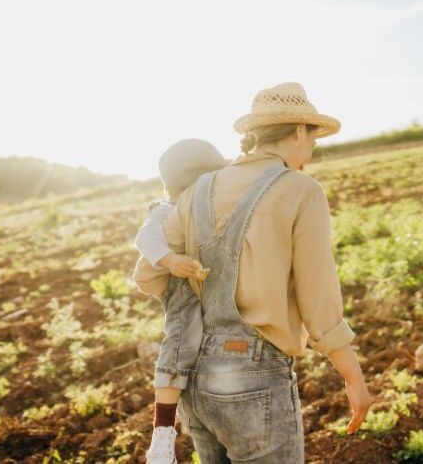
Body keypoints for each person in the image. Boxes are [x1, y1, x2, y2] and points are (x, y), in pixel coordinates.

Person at [134, 82, 372, 463]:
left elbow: (148, 275)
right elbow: (319, 302)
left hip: (194, 379)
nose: (311, 151)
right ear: (297, 130)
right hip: (254, 376)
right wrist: (353, 378)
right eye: (312, 139)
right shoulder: (301, 190)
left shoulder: (197, 190)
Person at [132, 139, 228, 464]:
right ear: (193, 186)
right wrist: (170, 260)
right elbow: (145, 238)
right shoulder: (165, 210)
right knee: (179, 346)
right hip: (183, 295)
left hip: (209, 297)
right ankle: (162, 435)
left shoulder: (208, 210)